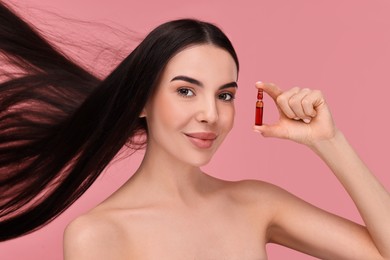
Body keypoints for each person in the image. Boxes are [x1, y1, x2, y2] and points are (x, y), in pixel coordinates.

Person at [1, 2, 389, 259]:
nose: (210, 114)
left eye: (225, 95)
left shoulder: (257, 202)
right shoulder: (99, 235)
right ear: (142, 101)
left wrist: (331, 142)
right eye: (186, 91)